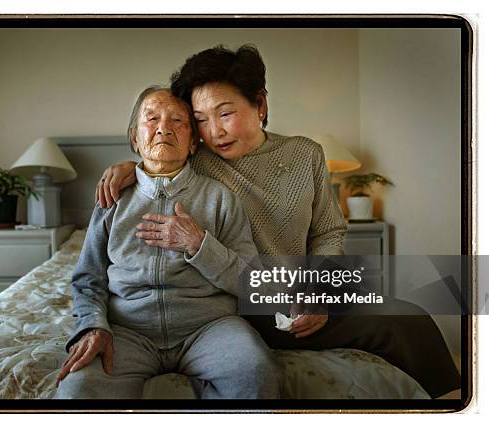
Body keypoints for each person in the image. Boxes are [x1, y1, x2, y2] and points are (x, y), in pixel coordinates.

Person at [95, 45, 462, 399]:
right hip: (240, 302)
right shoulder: (198, 158)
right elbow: (158, 162)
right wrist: (130, 167)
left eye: (225, 114)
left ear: (260, 103)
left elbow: (328, 230)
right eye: (201, 120)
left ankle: (456, 408)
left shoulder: (306, 154)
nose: (214, 132)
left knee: (410, 317)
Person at [54, 86, 281, 399]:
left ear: (192, 144)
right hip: (128, 331)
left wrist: (198, 244)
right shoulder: (112, 198)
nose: (163, 128)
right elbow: (87, 279)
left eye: (178, 121)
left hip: (210, 328)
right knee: (76, 392)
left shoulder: (220, 198)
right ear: (135, 138)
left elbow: (252, 282)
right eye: (152, 119)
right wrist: (93, 326)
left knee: (258, 373)